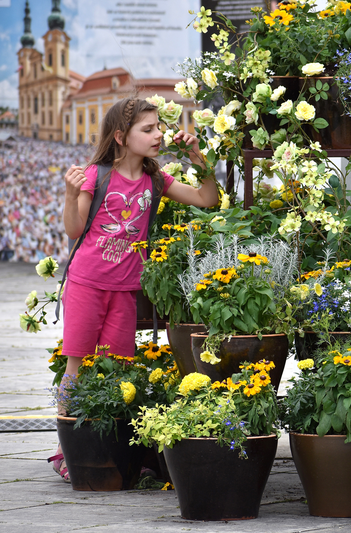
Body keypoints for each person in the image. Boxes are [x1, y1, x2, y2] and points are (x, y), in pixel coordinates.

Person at [47, 97, 219, 482]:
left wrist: (198, 157)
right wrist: (70, 194)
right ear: (122, 137)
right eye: (148, 129)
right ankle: (66, 450)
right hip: (86, 284)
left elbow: (207, 199)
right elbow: (75, 230)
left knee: (120, 370)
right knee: (76, 363)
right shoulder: (96, 175)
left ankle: (112, 447)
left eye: (159, 127)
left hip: (125, 290)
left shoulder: (156, 180)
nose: (158, 134)